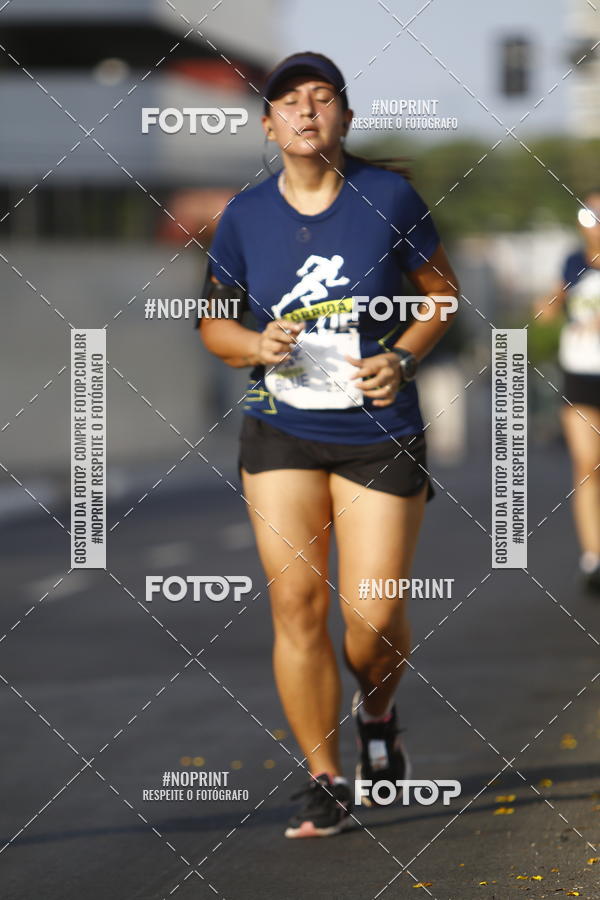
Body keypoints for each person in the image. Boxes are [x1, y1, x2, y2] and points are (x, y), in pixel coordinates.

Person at [197, 51, 459, 837]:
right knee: (297, 605)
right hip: (280, 429)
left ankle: (378, 716)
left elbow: (442, 297)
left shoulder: (389, 198)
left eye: (323, 99)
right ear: (269, 123)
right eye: (291, 102)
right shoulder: (245, 215)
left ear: (343, 116)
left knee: (371, 621)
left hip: (379, 432)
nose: (307, 112)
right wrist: (255, 346)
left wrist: (403, 355)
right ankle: (325, 777)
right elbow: (214, 324)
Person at [535, 191, 600, 595]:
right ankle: (593, 558)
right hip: (580, 376)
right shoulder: (573, 263)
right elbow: (549, 308)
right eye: (590, 214)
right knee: (588, 465)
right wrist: (549, 304)